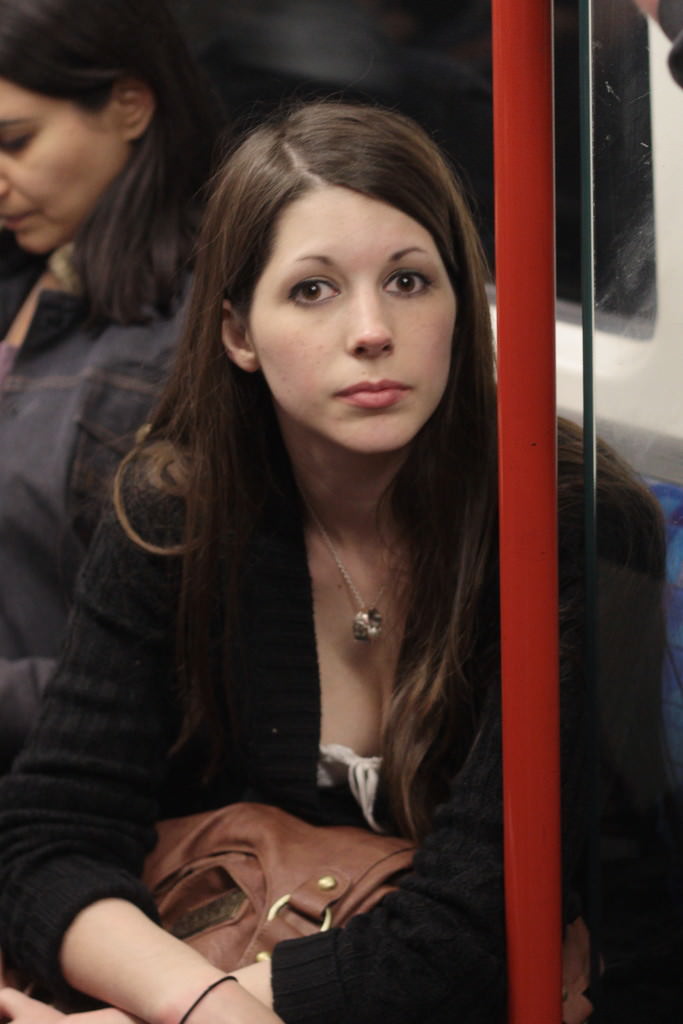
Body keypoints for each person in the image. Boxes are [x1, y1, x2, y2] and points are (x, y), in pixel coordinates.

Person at [0, 101, 675, 1024]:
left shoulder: (571, 525)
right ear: (238, 333)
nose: (370, 330)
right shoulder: (178, 514)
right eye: (313, 290)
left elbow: (477, 928)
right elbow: (48, 837)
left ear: (462, 304)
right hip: (239, 965)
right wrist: (191, 1003)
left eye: (408, 281)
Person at [0, 0, 221, 771]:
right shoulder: (28, 276)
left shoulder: (190, 335)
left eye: (15, 143)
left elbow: (174, 676)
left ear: (129, 105)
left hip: (64, 778)